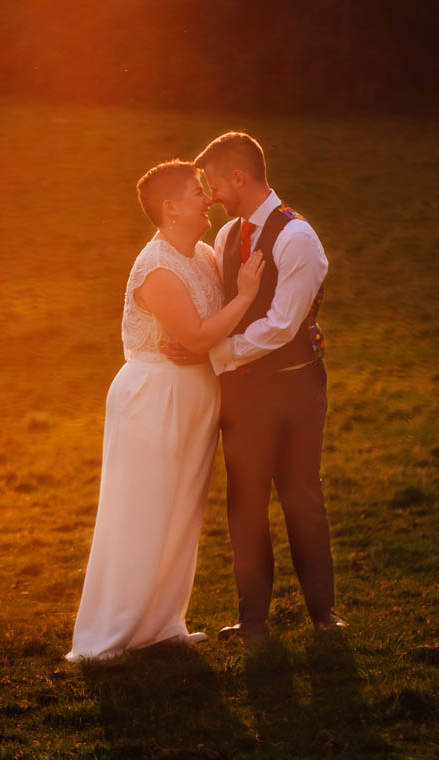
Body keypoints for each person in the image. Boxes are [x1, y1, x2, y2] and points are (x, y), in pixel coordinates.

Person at [66, 159, 264, 661]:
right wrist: (245, 297)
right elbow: (197, 333)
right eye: (198, 192)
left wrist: (208, 344)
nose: (208, 199)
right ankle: (107, 637)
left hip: (196, 395)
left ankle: (160, 625)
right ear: (170, 209)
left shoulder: (198, 253)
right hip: (153, 398)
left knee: (181, 511)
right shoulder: (156, 267)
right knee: (140, 511)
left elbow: (201, 340)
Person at [193, 131, 345, 640]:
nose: (211, 195)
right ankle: (252, 620)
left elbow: (283, 324)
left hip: (295, 390)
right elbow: (222, 309)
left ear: (239, 177)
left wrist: (217, 353)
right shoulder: (227, 237)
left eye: (215, 183)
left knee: (301, 497)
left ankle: (324, 614)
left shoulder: (296, 237)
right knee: (245, 503)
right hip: (242, 396)